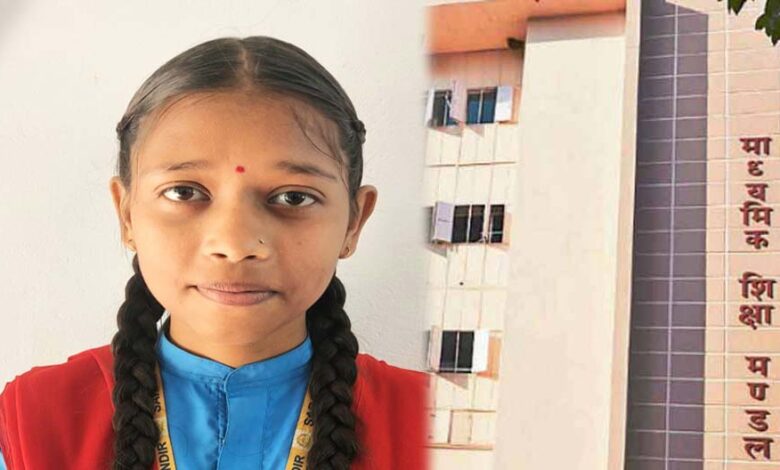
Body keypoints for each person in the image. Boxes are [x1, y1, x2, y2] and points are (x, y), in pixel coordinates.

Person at [0, 36, 430, 470]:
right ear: (127, 214)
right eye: (184, 192)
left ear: (354, 222)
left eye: (294, 198)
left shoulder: (435, 423)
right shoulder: (30, 424)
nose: (235, 245)